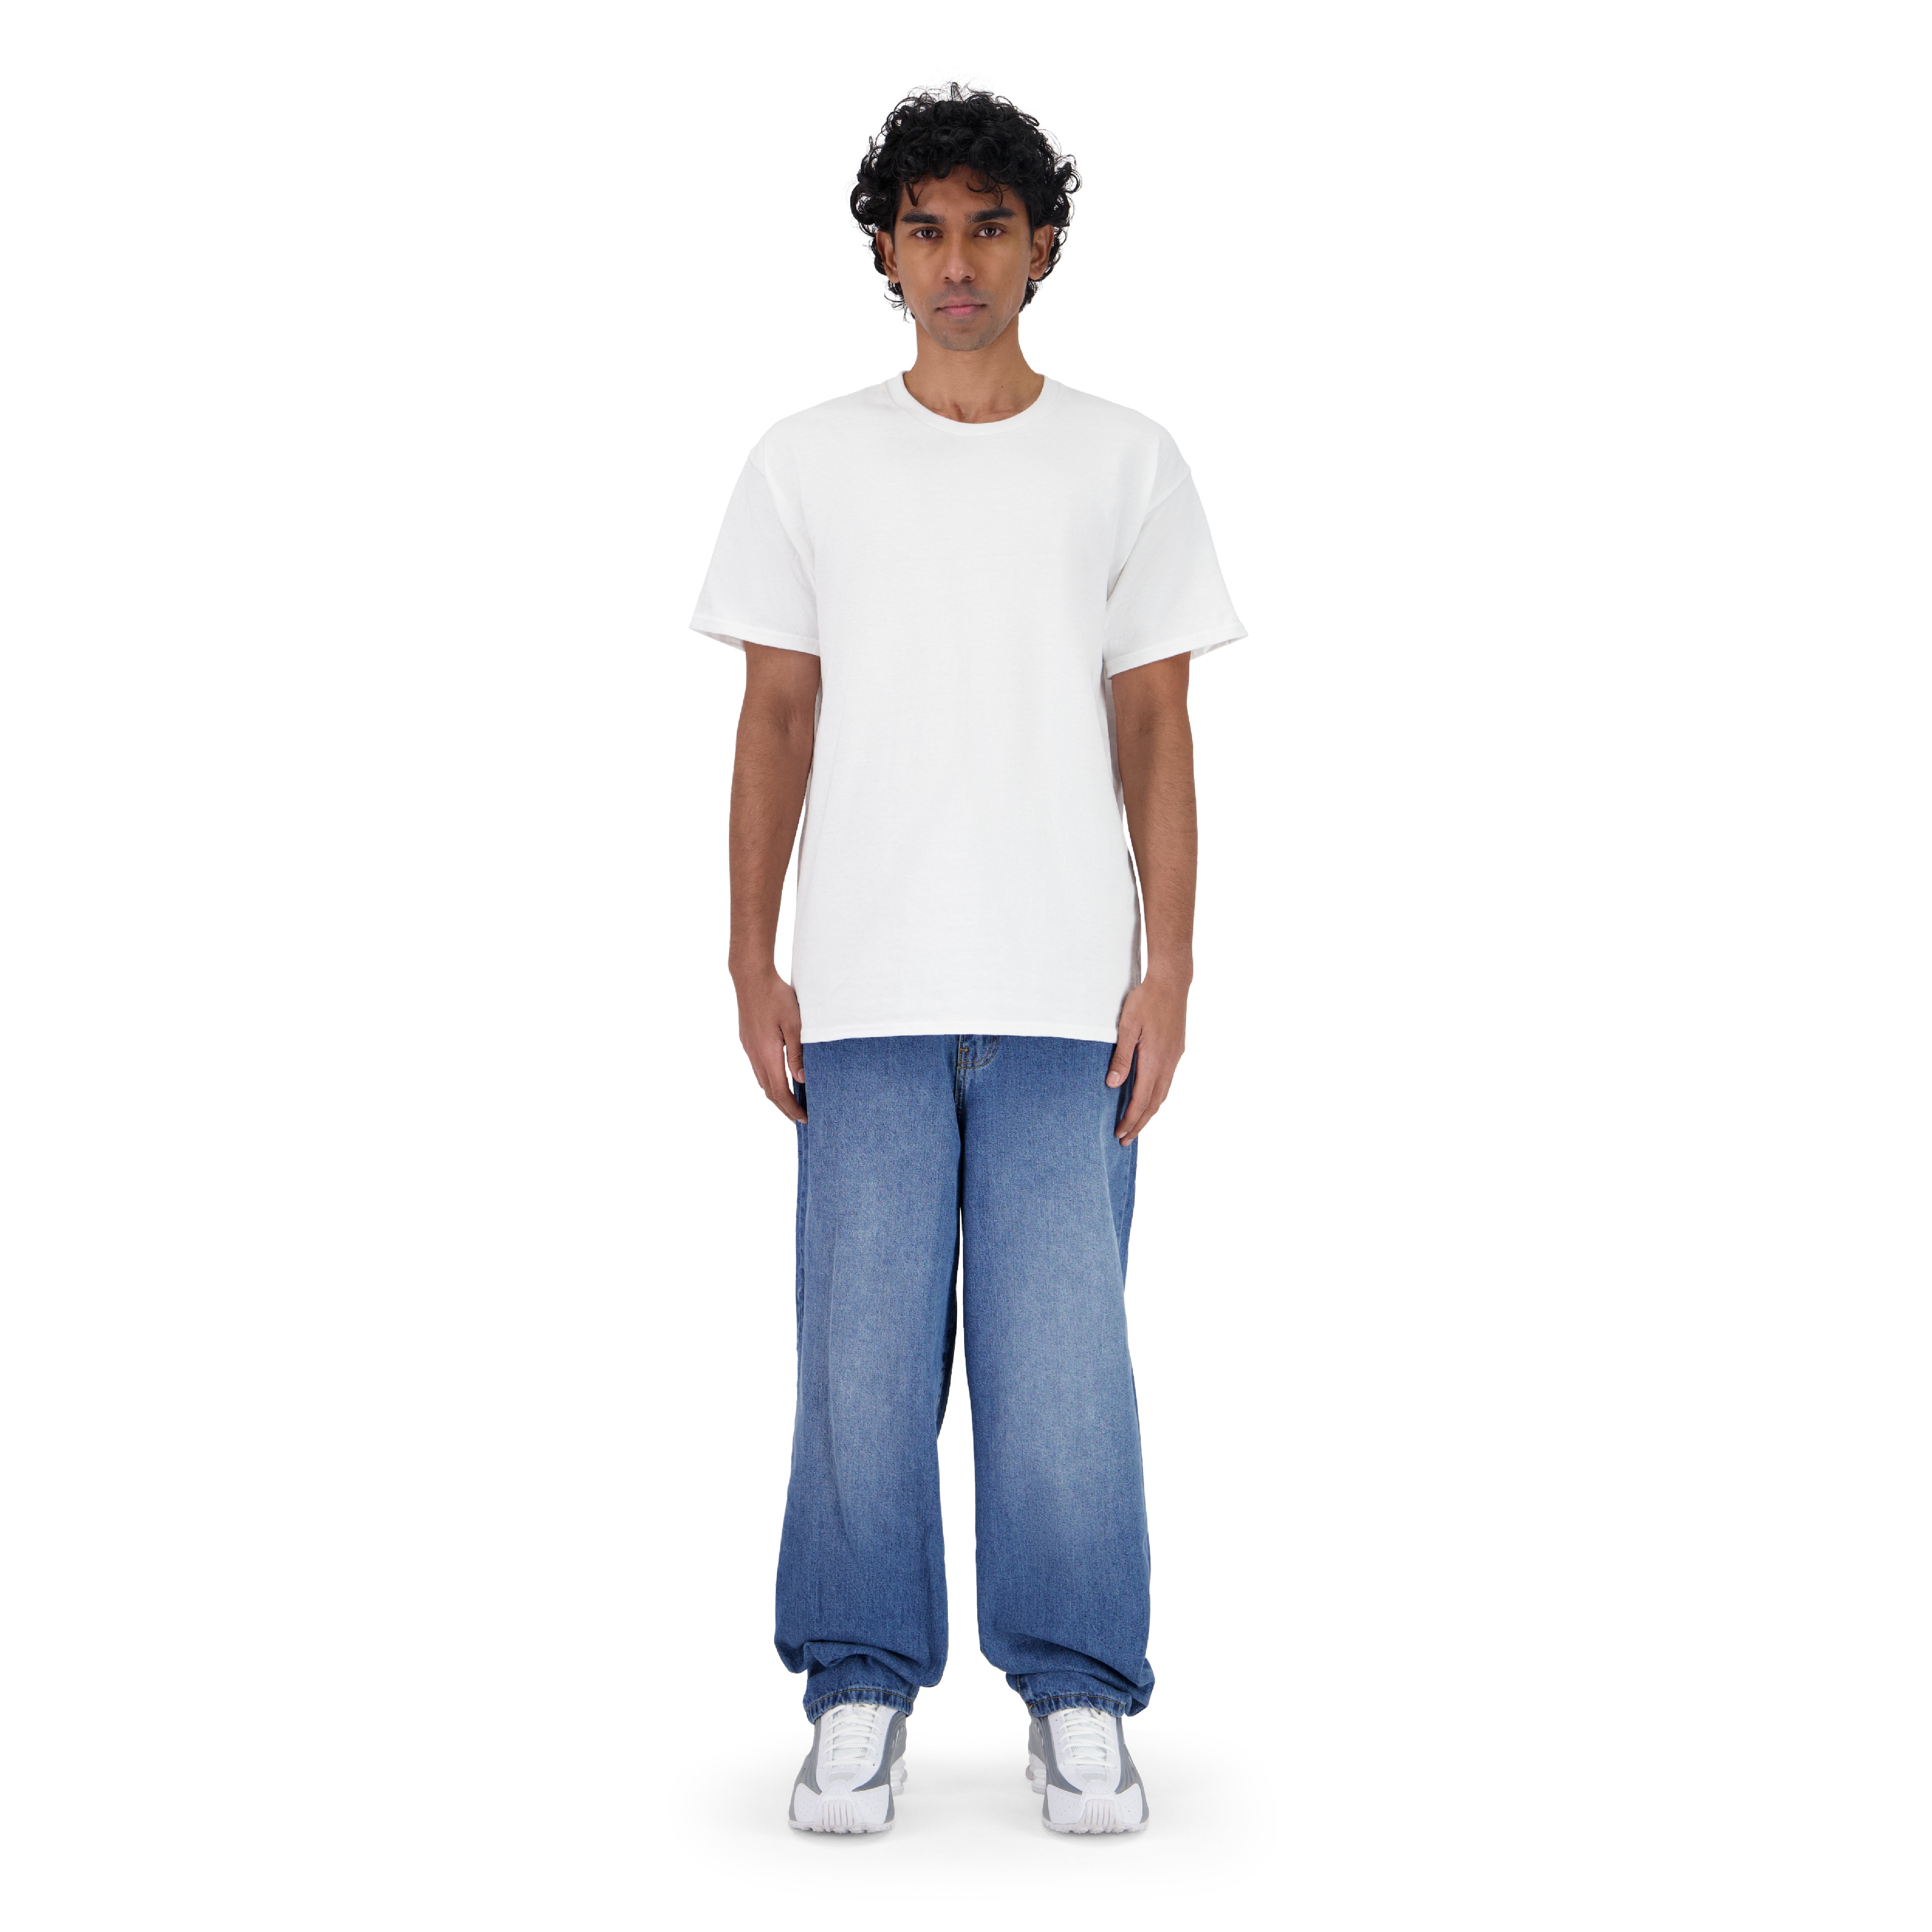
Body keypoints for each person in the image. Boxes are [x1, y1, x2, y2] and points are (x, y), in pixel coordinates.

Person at [690, 84, 1245, 1837]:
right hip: (862, 985)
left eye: (988, 228)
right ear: (882, 249)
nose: (956, 263)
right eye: (923, 229)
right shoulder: (807, 461)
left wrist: (1169, 969)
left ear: (1042, 245)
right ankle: (857, 1683)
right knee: (856, 1365)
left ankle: (1077, 1694)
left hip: (1067, 991)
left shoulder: (1124, 461)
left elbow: (1153, 726)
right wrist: (750, 961)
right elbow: (776, 718)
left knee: (1063, 1367)